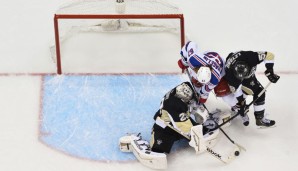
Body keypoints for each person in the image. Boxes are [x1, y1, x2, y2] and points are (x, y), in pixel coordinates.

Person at [223, 51, 280, 127]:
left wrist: (270, 71)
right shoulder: (231, 76)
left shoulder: (251, 57)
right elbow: (237, 91)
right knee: (259, 92)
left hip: (247, 75)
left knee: (257, 91)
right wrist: (241, 104)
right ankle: (241, 110)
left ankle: (238, 110)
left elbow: (269, 55)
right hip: (235, 75)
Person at [177, 41, 225, 106]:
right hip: (208, 54)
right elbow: (191, 43)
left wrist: (202, 97)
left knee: (221, 89)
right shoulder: (192, 60)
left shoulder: (215, 80)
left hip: (222, 65)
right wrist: (184, 60)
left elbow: (204, 91)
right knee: (183, 64)